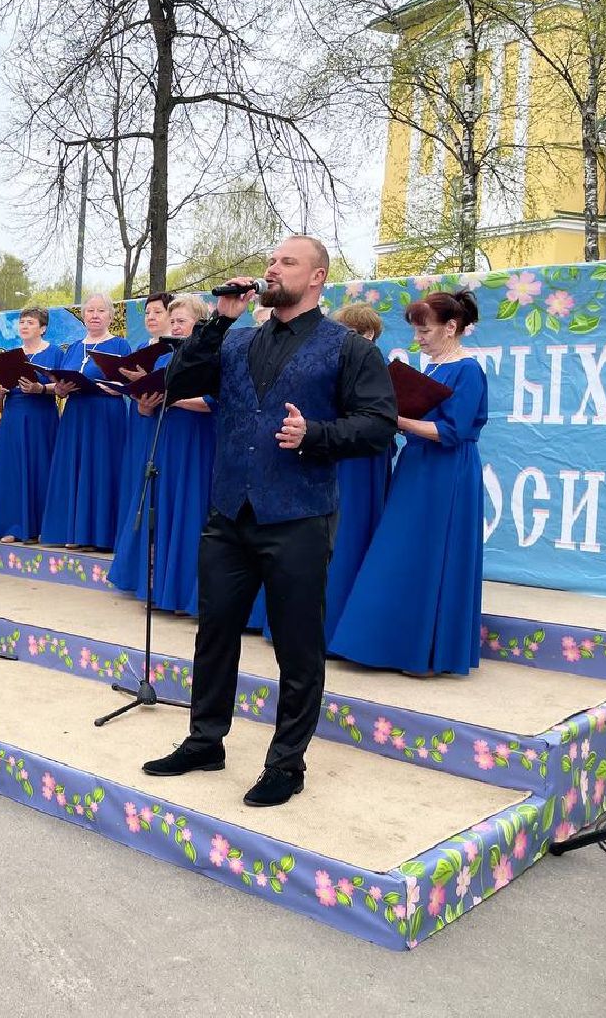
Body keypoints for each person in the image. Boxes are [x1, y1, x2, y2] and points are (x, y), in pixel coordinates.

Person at [140, 236, 397, 808]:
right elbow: (177, 384)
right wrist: (217, 323)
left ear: (316, 279)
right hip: (229, 511)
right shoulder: (238, 342)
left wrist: (318, 436)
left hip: (299, 515)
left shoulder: (347, 348)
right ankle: (206, 740)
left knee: (297, 645)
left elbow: (379, 426)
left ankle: (286, 763)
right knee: (215, 633)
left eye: (287, 262)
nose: (272, 269)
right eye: (271, 261)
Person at [329, 292, 487, 677]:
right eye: (416, 329)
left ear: (451, 327)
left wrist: (395, 420)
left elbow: (455, 430)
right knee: (400, 552)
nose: (419, 337)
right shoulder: (432, 368)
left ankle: (426, 653)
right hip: (416, 465)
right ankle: (385, 644)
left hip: (446, 473)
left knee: (432, 553)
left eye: (425, 329)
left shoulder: (468, 370)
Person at [110, 295, 215, 614]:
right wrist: (144, 405)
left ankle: (185, 593)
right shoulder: (162, 359)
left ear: (199, 324)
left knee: (189, 509)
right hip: (164, 439)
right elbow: (147, 407)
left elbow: (213, 401)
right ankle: (157, 587)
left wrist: (174, 399)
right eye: (174, 321)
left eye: (182, 321)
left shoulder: (210, 356)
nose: (176, 326)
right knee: (162, 508)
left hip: (195, 442)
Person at [321, 304, 395, 647]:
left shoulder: (373, 363)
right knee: (335, 533)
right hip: (340, 453)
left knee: (354, 530)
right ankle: (325, 620)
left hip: (365, 457)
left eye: (349, 333)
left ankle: (346, 622)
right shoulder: (332, 361)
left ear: (367, 335)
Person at [39, 294, 132, 551]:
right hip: (76, 414)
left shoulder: (120, 346)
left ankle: (100, 535)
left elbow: (127, 384)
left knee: (100, 470)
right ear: (83, 315)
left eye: (101, 310)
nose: (94, 315)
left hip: (104, 416)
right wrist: (61, 387)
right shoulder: (74, 347)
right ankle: (73, 531)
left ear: (110, 316)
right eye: (90, 310)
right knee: (75, 469)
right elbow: (58, 390)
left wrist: (112, 387)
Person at [0, 305, 62, 544]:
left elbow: (62, 387)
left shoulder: (54, 353)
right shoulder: (10, 355)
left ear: (43, 328)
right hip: (13, 416)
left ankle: (43, 526)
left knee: (41, 468)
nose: (24, 326)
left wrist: (40, 388)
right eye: (22, 322)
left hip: (41, 417)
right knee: (12, 469)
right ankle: (13, 525)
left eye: (30, 322)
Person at [115, 293, 174, 528]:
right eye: (148, 313)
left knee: (154, 468)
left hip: (161, 417)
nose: (151, 317)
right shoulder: (141, 347)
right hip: (139, 414)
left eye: (157, 312)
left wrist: (146, 381)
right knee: (136, 470)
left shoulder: (172, 348)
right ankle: (131, 531)